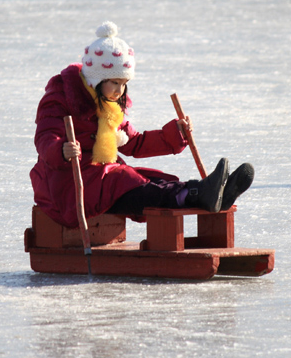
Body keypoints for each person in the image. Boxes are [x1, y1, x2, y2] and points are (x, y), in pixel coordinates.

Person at [30, 21, 254, 228]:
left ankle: (205, 193)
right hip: (64, 185)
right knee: (125, 179)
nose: (120, 91)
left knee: (150, 180)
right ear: (96, 80)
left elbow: (134, 143)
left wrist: (176, 134)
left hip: (99, 177)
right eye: (114, 83)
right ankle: (199, 193)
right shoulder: (60, 99)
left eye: (124, 84)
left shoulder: (109, 106)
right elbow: (45, 137)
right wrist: (61, 150)